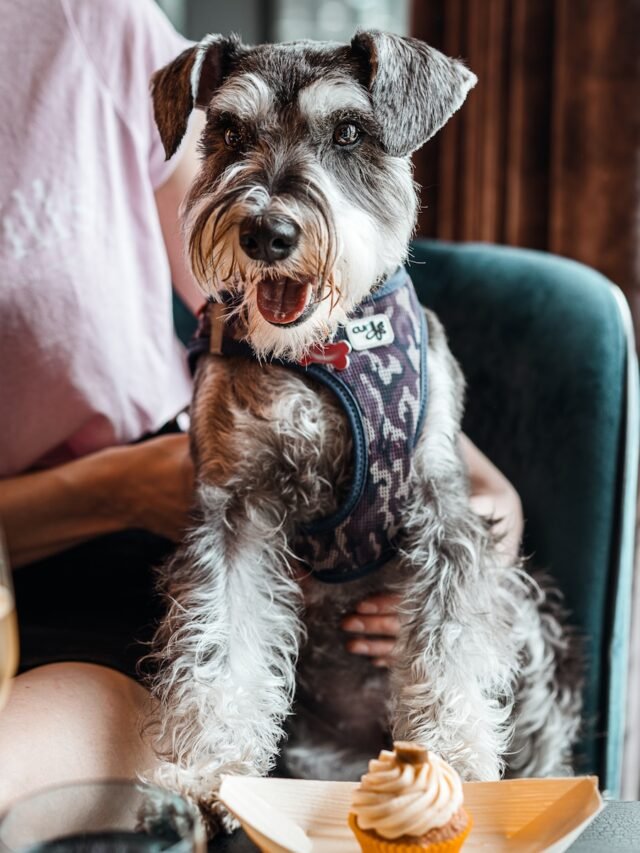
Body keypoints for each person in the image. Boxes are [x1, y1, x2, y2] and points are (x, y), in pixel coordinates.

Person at [0, 0, 523, 808]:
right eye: (234, 137)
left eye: (344, 137)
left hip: (136, 569)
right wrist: (114, 487)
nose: (269, 204)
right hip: (93, 572)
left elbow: (413, 431)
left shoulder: (85, 19)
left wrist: (473, 475)